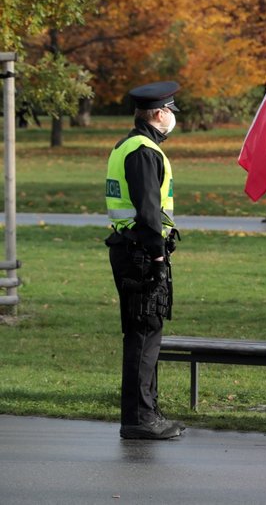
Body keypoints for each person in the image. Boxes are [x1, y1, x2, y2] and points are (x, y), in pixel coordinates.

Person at [104, 81, 185, 440]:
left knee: (146, 332)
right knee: (144, 333)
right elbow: (149, 209)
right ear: (159, 113)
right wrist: (156, 255)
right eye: (170, 112)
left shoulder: (128, 145)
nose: (172, 118)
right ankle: (139, 418)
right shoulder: (143, 150)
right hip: (140, 252)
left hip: (130, 248)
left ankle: (146, 412)